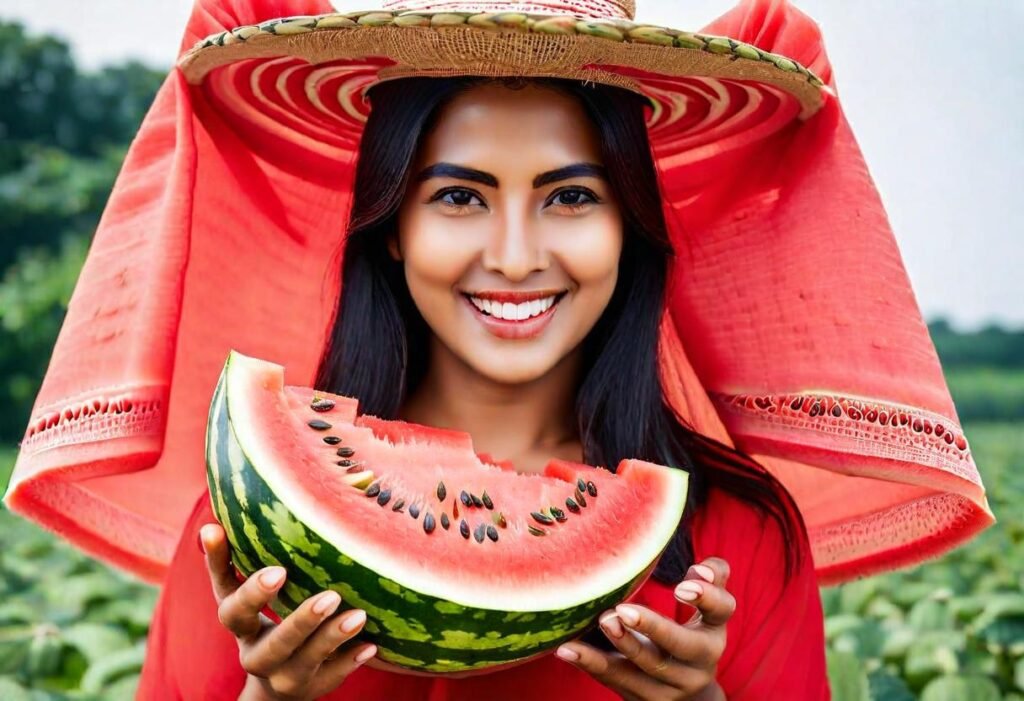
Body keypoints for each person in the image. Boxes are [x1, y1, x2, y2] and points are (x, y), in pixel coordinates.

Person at [2, 0, 993, 699]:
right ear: (391, 225)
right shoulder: (251, 527)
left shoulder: (735, 539)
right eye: (458, 196)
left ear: (631, 226)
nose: (515, 256)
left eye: (570, 196)